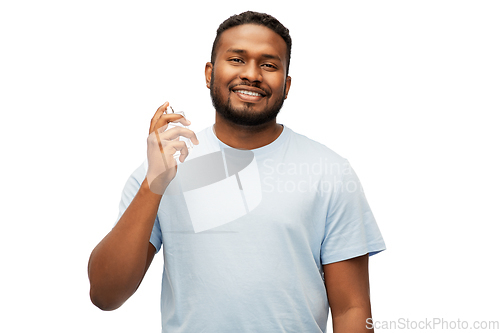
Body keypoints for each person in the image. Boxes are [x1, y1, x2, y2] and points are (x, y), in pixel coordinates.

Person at [88, 11, 386, 333]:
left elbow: (352, 309)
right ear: (209, 73)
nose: (252, 75)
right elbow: (105, 294)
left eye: (269, 65)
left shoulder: (329, 172)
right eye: (237, 59)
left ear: (286, 85)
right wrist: (153, 185)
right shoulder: (164, 168)